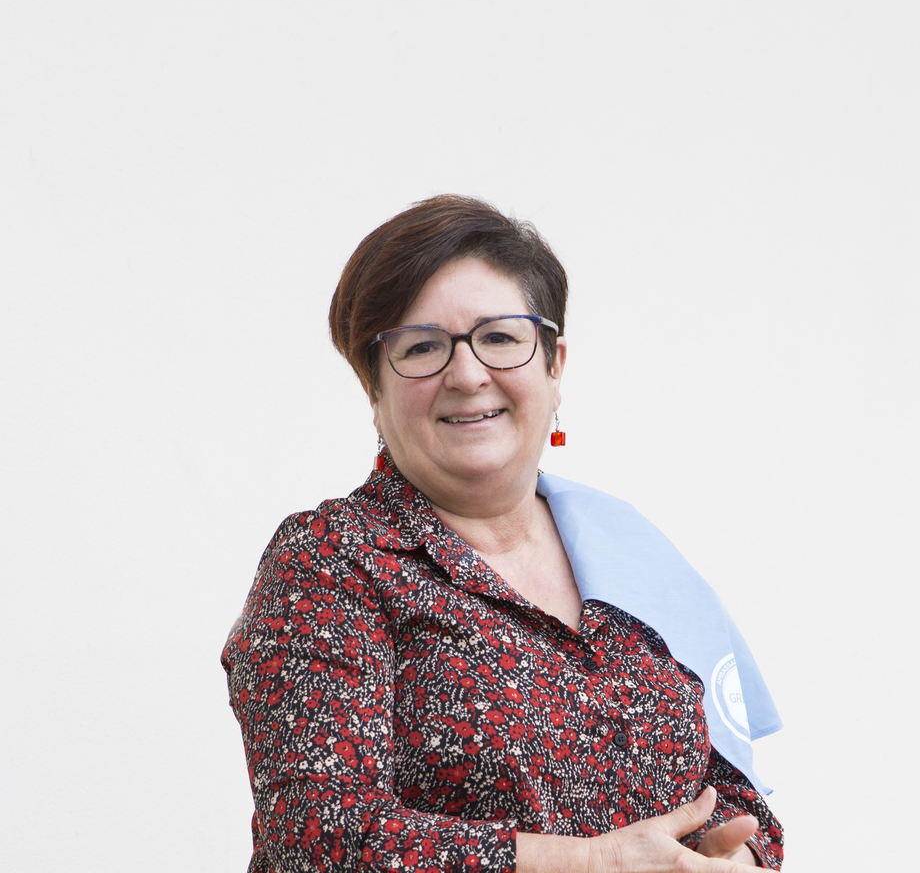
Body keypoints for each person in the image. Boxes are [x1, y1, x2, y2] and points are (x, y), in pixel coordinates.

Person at [221, 195, 784, 872]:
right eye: (421, 347)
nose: (466, 374)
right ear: (373, 390)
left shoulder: (627, 551)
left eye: (499, 338)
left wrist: (736, 853)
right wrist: (592, 864)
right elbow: (318, 839)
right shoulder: (332, 559)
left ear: (554, 366)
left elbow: (730, 785)